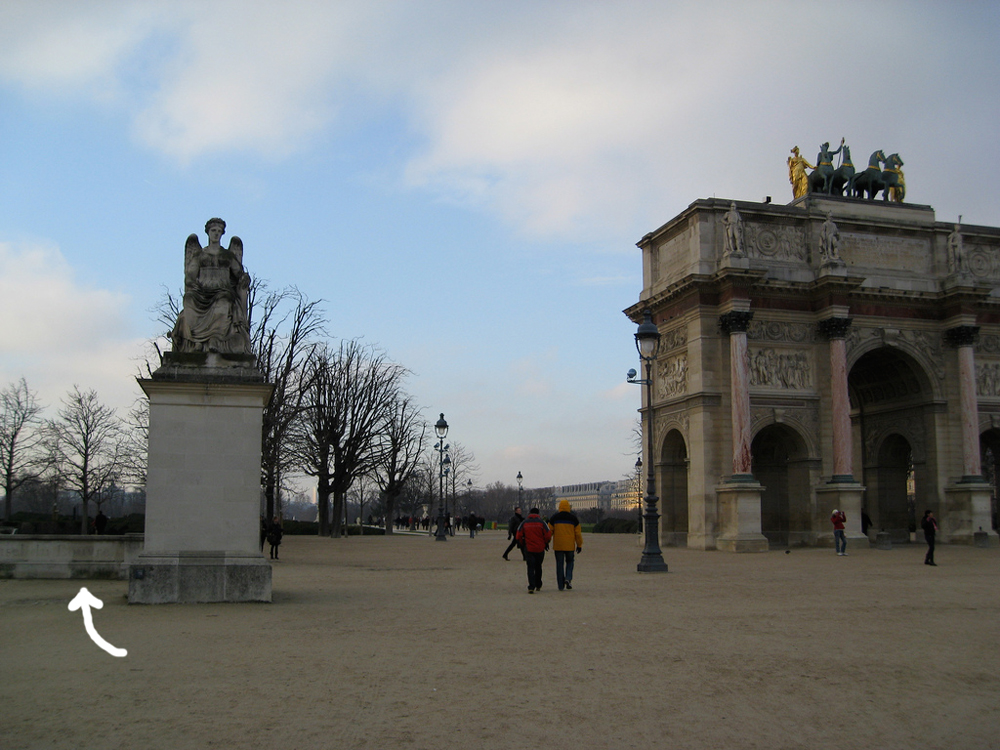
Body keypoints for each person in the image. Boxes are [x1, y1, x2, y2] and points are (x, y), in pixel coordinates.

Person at [171, 218, 252, 354]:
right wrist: (193, 285)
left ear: (222, 234)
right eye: (213, 231)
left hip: (222, 291)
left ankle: (215, 339)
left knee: (224, 302)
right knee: (189, 299)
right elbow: (190, 275)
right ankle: (197, 341)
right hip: (202, 291)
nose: (216, 234)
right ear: (208, 232)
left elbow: (238, 273)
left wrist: (245, 278)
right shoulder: (199, 254)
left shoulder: (227, 255)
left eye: (219, 231)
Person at [515, 507, 551, 594]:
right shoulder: (542, 523)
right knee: (538, 566)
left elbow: (518, 535)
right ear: (538, 514)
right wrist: (545, 543)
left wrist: (523, 544)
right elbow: (548, 535)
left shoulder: (524, 523)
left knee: (530, 567)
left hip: (529, 548)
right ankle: (538, 584)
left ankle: (531, 586)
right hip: (539, 548)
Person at [549, 500, 583, 591]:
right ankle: (568, 578)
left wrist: (546, 542)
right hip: (569, 545)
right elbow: (578, 534)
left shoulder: (554, 518)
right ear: (569, 507)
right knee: (570, 562)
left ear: (559, 507)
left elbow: (549, 532)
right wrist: (579, 545)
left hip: (558, 545)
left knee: (559, 565)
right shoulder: (573, 518)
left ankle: (560, 585)